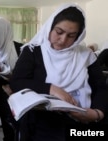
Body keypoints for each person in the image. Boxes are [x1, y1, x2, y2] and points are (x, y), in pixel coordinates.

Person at [9, 3, 108, 141]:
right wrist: (51, 89)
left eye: (71, 35)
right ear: (50, 27)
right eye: (59, 32)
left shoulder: (86, 56)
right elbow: (17, 82)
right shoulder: (33, 51)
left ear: (78, 36)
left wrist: (97, 113)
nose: (63, 40)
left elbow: (101, 88)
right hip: (41, 123)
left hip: (81, 123)